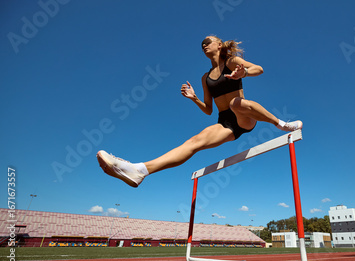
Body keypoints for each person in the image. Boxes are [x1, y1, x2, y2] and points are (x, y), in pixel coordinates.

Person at [97, 35, 303, 187]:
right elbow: (208, 110)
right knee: (193, 142)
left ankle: (281, 124)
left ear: (219, 45)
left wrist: (244, 72)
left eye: (209, 41)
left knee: (236, 104)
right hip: (225, 123)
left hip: (244, 116)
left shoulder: (232, 62)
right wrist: (194, 98)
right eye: (202, 44)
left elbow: (259, 69)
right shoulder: (205, 78)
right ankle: (140, 171)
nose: (204, 44)